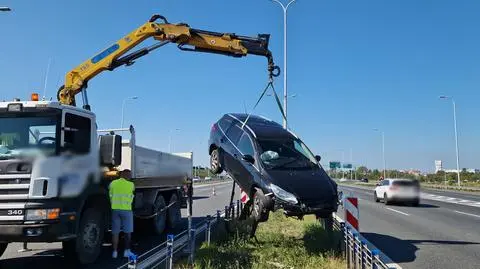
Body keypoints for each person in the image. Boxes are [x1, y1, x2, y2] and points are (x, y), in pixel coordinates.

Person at [109, 169, 135, 258]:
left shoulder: (113, 183)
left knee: (115, 232)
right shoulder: (131, 185)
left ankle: (114, 252)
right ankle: (127, 251)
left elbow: (110, 194)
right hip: (126, 210)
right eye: (130, 175)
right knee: (127, 232)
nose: (131, 177)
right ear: (127, 176)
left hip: (115, 210)